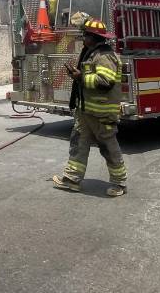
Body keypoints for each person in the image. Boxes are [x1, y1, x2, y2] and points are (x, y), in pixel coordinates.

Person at [53, 15, 128, 197]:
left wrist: (81, 77)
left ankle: (119, 184)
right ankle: (72, 179)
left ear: (95, 38)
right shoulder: (92, 53)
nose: (83, 38)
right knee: (78, 143)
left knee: (108, 147)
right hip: (86, 112)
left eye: (86, 35)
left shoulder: (105, 56)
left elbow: (105, 81)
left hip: (101, 113)